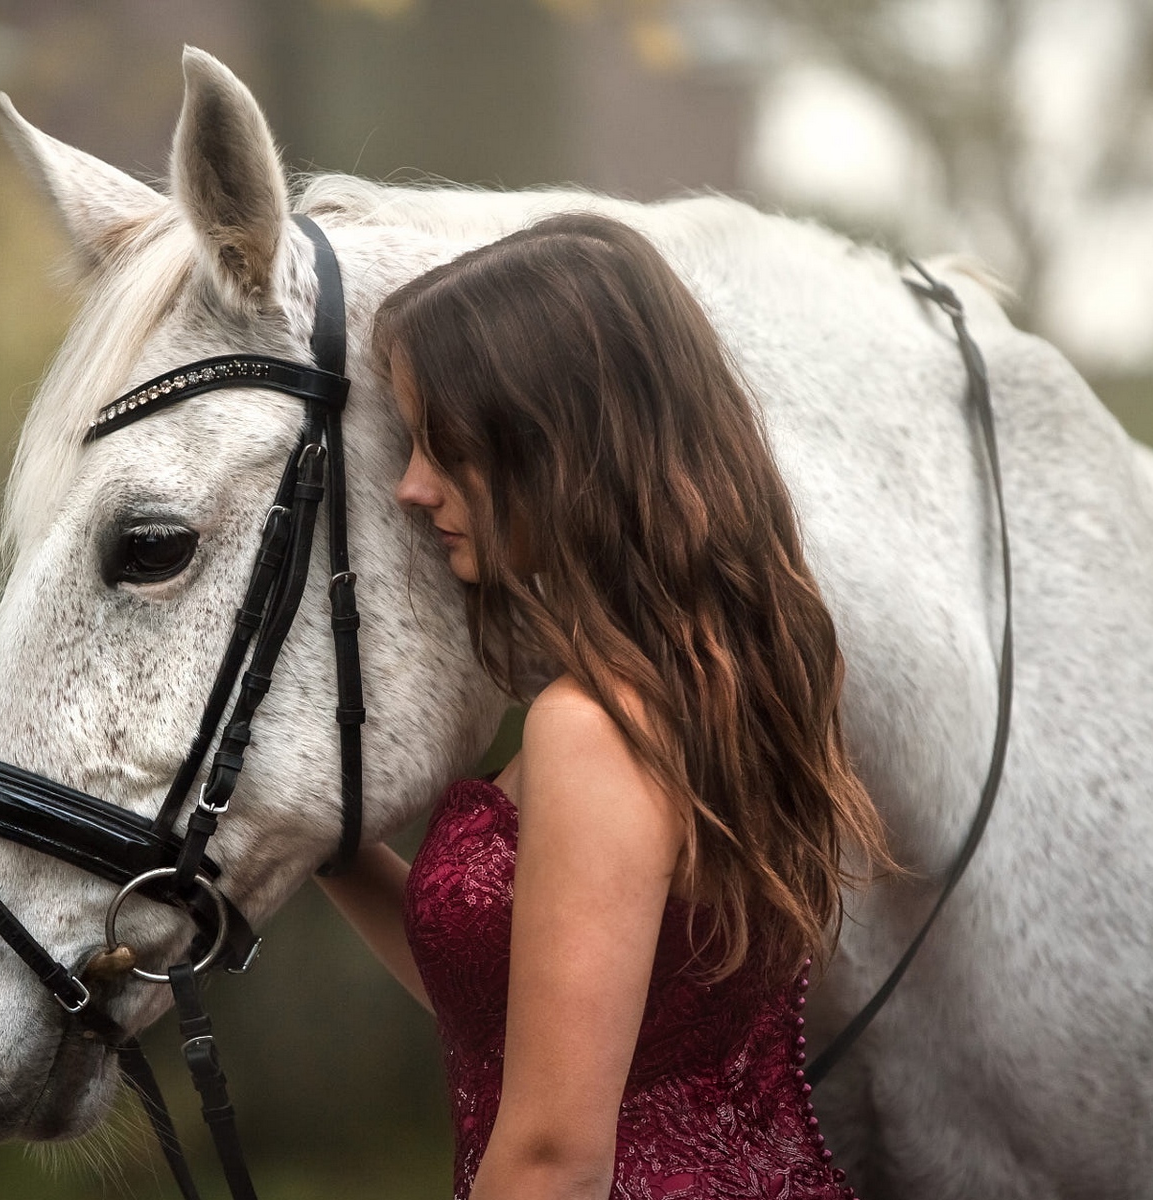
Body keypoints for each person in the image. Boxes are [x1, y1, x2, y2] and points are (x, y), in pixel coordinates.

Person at [316, 213, 895, 1200]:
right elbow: (539, 1028)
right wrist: (327, 840)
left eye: (444, 443)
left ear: (559, 444)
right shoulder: (745, 671)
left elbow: (553, 1160)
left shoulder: (595, 730)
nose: (412, 486)